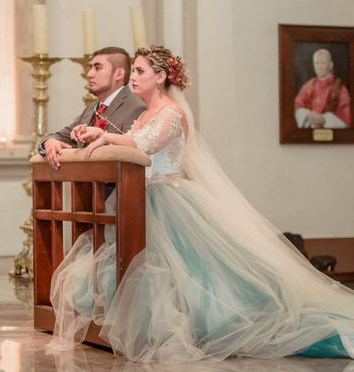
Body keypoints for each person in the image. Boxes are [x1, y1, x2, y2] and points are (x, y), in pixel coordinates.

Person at [46, 45, 354, 363]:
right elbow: (132, 141)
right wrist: (100, 134)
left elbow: (144, 145)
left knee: (182, 274)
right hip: (141, 198)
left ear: (161, 76)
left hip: (166, 200)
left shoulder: (172, 113)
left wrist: (107, 137)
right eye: (134, 70)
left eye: (140, 71)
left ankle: (197, 327)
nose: (134, 77)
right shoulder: (145, 113)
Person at [39, 47, 145, 170]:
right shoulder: (91, 108)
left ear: (119, 74)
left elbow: (132, 156)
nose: (89, 74)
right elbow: (63, 136)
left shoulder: (136, 107)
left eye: (97, 67)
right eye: (91, 67)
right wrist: (49, 142)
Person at [294, 48, 351, 129]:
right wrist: (307, 115)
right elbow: (297, 105)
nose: (319, 67)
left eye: (323, 63)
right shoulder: (308, 86)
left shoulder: (340, 88)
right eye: (317, 63)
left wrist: (325, 119)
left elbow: (346, 114)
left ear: (331, 65)